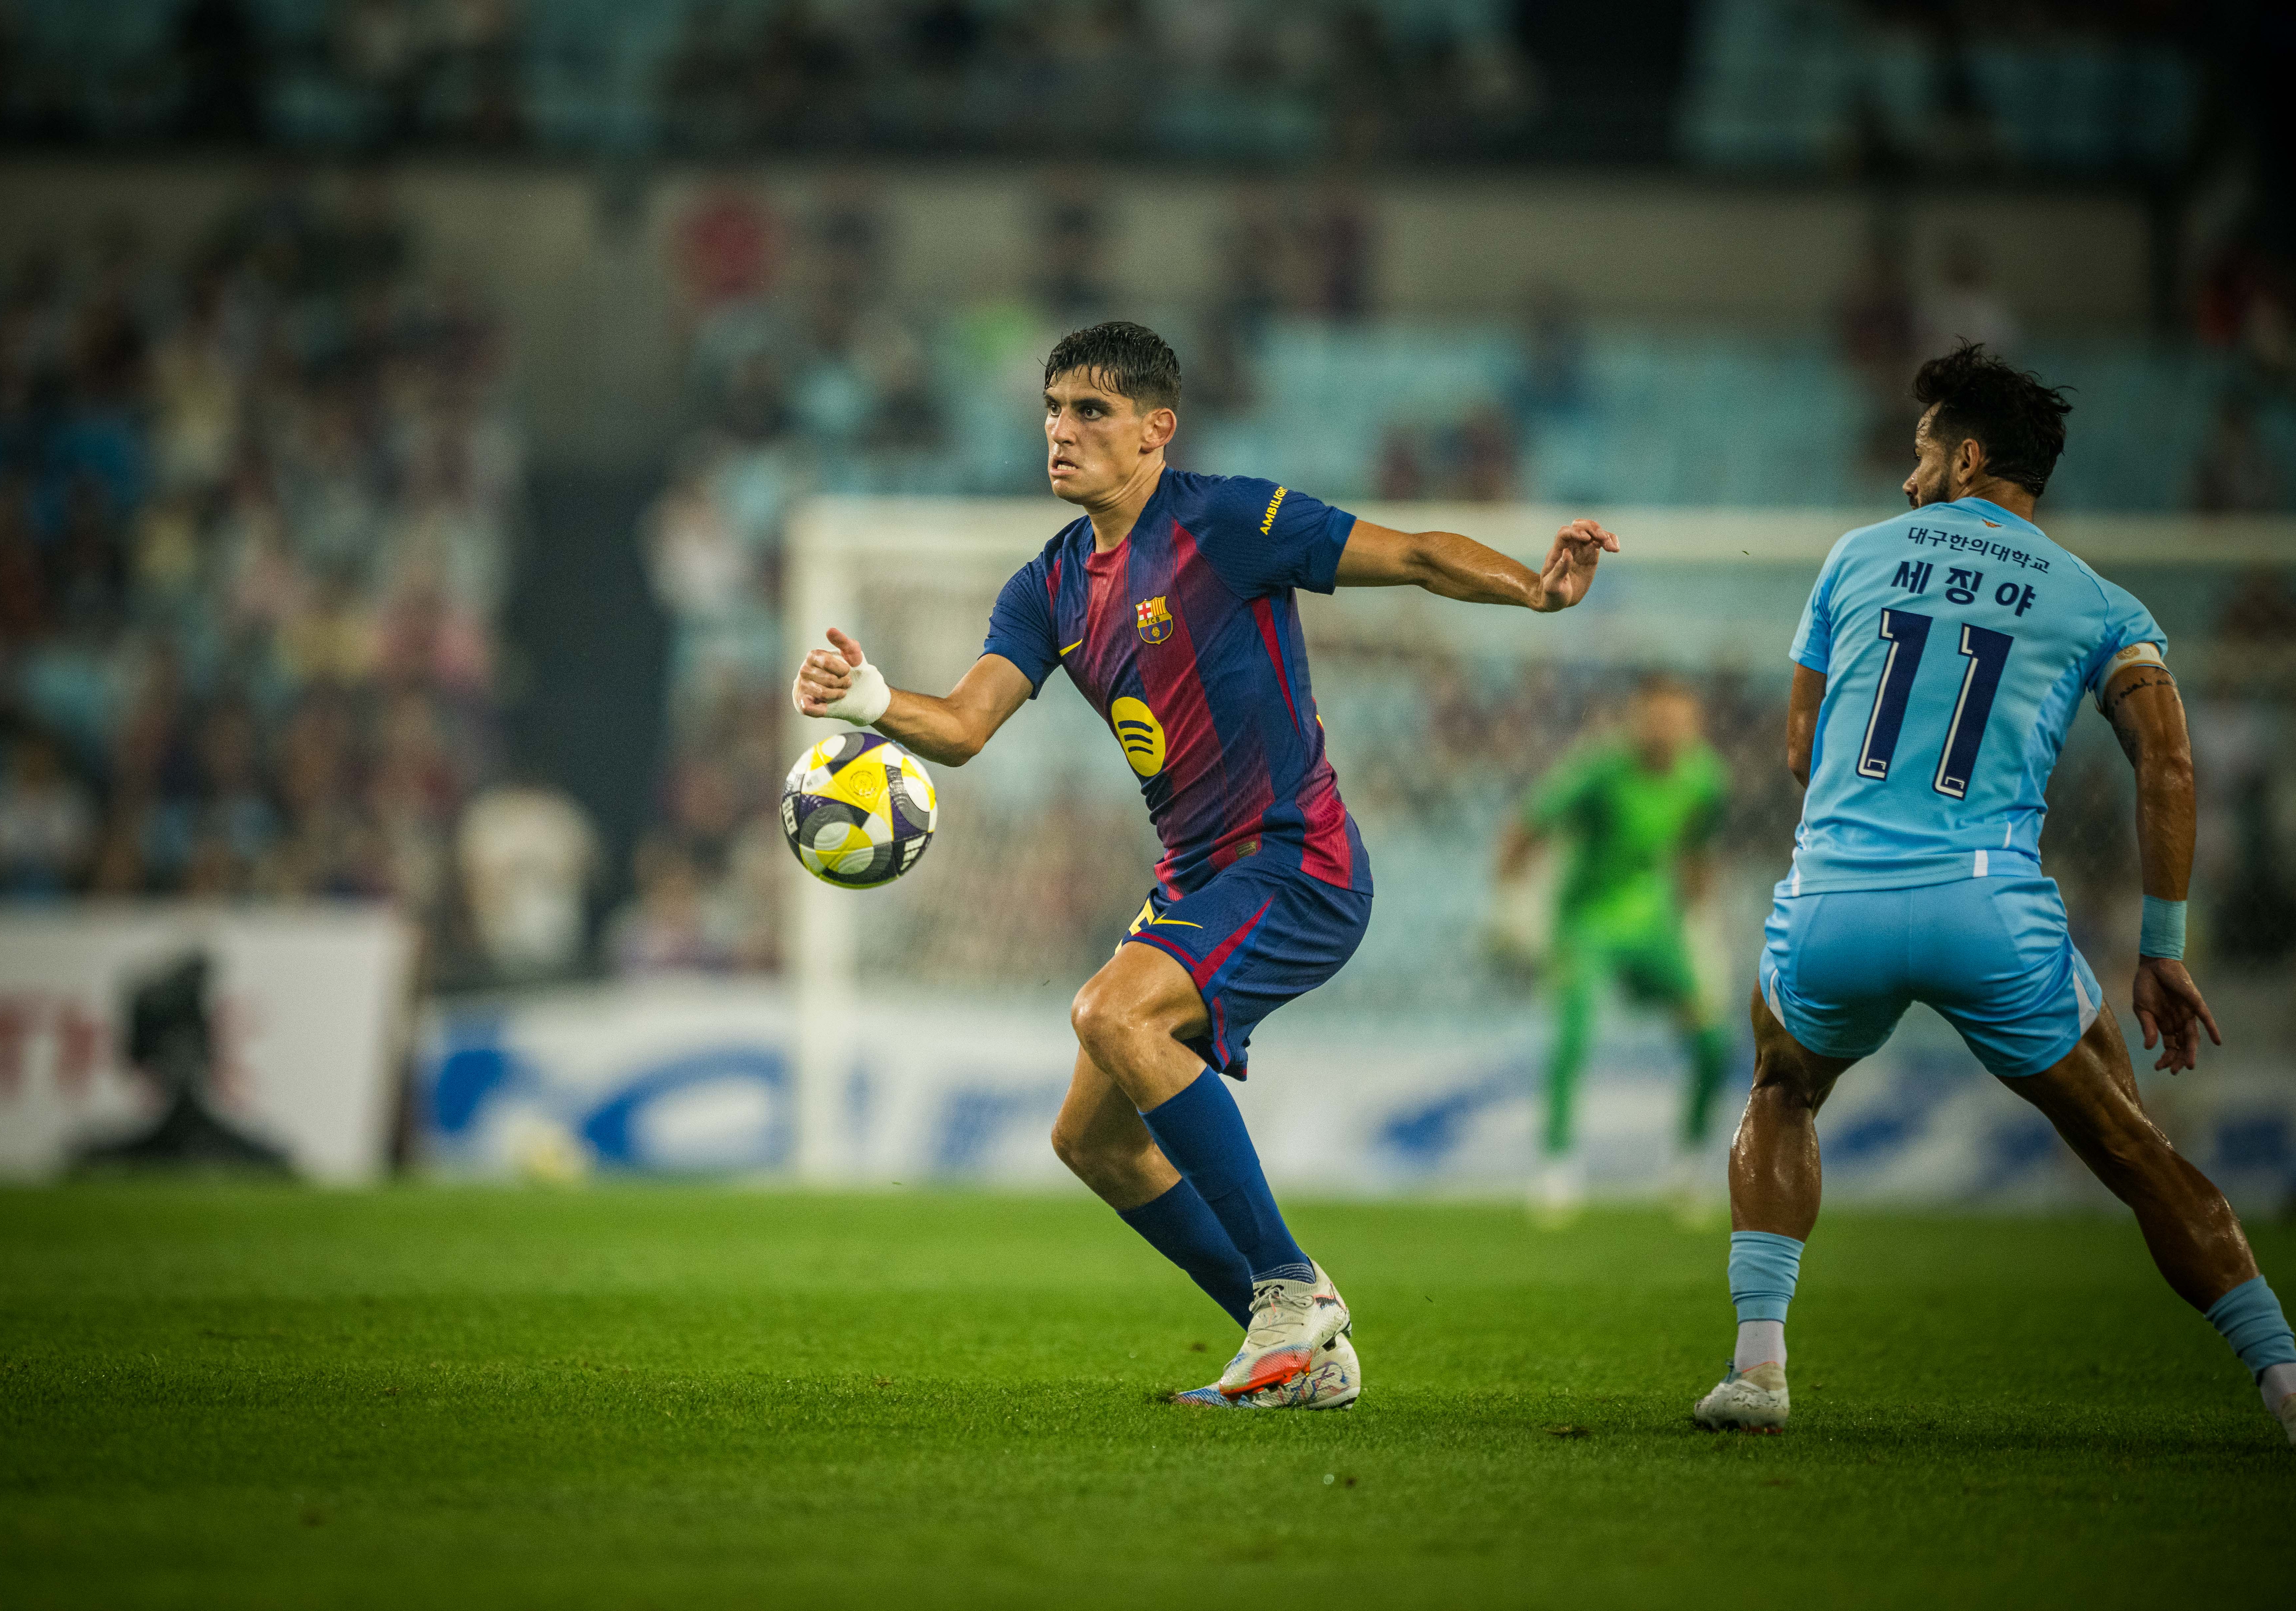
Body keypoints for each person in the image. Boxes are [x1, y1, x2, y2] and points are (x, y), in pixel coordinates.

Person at [794, 321, 1618, 1409]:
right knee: (1089, 1141)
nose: (1060, 431)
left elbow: (1415, 553)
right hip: (1197, 879)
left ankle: (1290, 1288)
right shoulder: (1047, 585)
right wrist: (868, 700)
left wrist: (1534, 590)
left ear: (1156, 429)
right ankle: (1299, 1355)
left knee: (1112, 1014)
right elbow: (959, 726)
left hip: (1296, 863)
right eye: (1052, 410)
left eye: (1091, 411)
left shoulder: (1225, 523)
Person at [1692, 343, 2296, 1446]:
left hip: (1834, 900)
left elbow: (1799, 752)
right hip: (1984, 908)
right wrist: (2161, 947)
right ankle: (2284, 1378)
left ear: (1966, 459)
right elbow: (2166, 761)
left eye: (1922, 455)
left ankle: (1757, 1371)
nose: (1908, 476)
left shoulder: (1853, 558)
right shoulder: (2098, 602)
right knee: (2131, 1146)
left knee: (1782, 1088)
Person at [1499, 675, 1730, 1223]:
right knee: (1574, 1034)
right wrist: (1511, 905)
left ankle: (1688, 1166)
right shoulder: (1599, 772)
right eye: (1657, 719)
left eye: (1679, 721)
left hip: (1656, 927)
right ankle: (1557, 1168)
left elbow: (1696, 851)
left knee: (1713, 1041)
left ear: (1695, 726)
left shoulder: (1706, 779)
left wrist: (1700, 930)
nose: (1667, 731)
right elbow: (1526, 828)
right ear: (1636, 720)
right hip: (1587, 924)